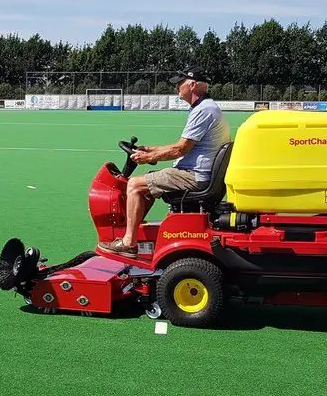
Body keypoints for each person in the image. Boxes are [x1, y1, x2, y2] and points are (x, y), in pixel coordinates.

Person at [97, 69, 230, 257]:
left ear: (192, 85)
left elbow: (180, 149)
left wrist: (149, 158)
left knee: (135, 185)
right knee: (149, 183)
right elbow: (181, 146)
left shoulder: (204, 110)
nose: (176, 87)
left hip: (195, 176)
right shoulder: (206, 107)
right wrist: (150, 150)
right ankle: (136, 228)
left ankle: (128, 243)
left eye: (179, 83)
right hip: (198, 172)